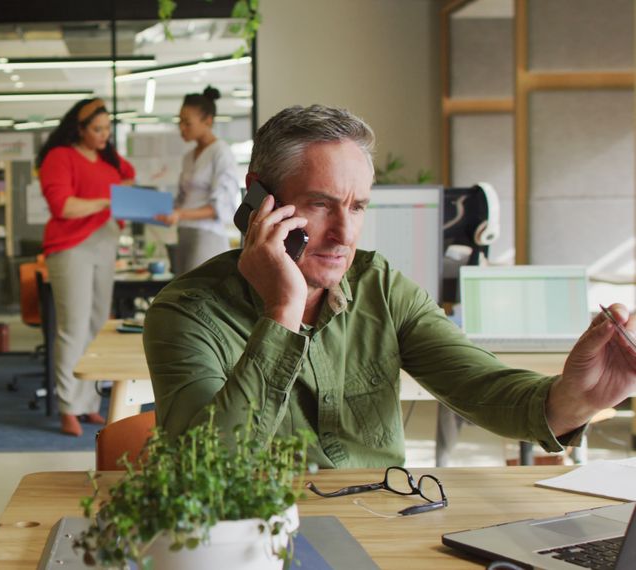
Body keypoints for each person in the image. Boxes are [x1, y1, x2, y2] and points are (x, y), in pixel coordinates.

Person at [143, 104, 636, 468]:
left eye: (356, 207)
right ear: (259, 199)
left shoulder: (380, 287)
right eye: (321, 204)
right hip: (255, 540)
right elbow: (202, 469)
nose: (344, 233)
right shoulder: (185, 312)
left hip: (384, 526)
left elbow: (483, 388)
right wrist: (283, 309)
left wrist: (578, 398)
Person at [37, 98, 136, 436]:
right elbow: (63, 206)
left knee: (96, 327)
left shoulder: (110, 161)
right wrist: (108, 200)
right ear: (78, 129)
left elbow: (131, 184)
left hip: (105, 244)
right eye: (97, 129)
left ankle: (89, 404)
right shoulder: (60, 157)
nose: (104, 135)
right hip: (71, 248)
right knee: (73, 327)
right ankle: (68, 406)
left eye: (108, 128)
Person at [154, 86, 239, 274]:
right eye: (179, 122)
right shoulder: (188, 156)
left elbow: (220, 207)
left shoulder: (221, 152)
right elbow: (182, 199)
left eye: (187, 122)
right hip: (184, 233)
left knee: (196, 295)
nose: (181, 128)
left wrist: (180, 214)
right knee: (182, 293)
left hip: (207, 234)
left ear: (208, 121)